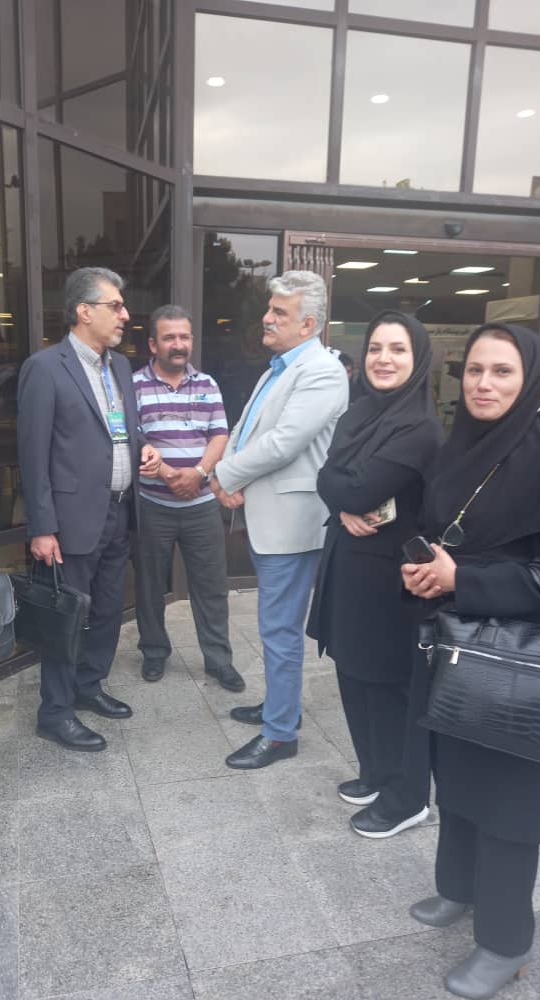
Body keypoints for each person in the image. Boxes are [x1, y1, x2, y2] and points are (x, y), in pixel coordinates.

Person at [402, 323, 540, 999]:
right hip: (457, 644)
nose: (484, 384)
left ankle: (505, 942)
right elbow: (443, 531)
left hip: (519, 664)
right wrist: (425, 571)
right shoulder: (461, 443)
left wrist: (462, 579)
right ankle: (459, 888)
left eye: (502, 372)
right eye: (474, 370)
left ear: (531, 381)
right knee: (459, 774)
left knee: (506, 801)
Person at [307, 311, 442, 837]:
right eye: (376, 348)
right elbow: (328, 479)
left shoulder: (420, 428)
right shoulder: (360, 412)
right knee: (353, 674)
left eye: (398, 349)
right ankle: (377, 772)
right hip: (349, 568)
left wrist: (343, 494)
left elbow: (357, 487)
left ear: (418, 359)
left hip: (392, 581)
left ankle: (408, 797)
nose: (383, 359)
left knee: (388, 687)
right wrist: (342, 502)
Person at [17, 267, 161, 752]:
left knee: (106, 610)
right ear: (84, 311)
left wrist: (143, 448)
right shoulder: (45, 368)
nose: (125, 315)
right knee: (67, 616)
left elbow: (122, 429)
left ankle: (88, 685)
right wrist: (42, 527)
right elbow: (33, 455)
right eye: (115, 306)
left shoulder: (118, 367)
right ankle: (55, 713)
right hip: (70, 520)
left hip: (120, 510)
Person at [211, 270, 348, 769]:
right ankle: (279, 705)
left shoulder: (322, 371)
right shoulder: (282, 365)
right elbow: (247, 429)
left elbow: (283, 443)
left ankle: (280, 733)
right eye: (270, 308)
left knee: (280, 630)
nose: (266, 318)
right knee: (276, 626)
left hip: (294, 524)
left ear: (308, 324)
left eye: (279, 312)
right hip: (273, 515)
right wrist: (228, 474)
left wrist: (224, 474)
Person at [132, 304, 244, 691]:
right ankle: (153, 652)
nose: (178, 344)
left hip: (201, 507)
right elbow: (134, 438)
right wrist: (167, 474)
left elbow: (219, 435)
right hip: (153, 506)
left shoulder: (207, 384)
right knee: (150, 587)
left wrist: (197, 474)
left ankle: (219, 660)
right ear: (153, 344)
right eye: (169, 338)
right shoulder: (134, 386)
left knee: (211, 587)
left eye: (184, 337)